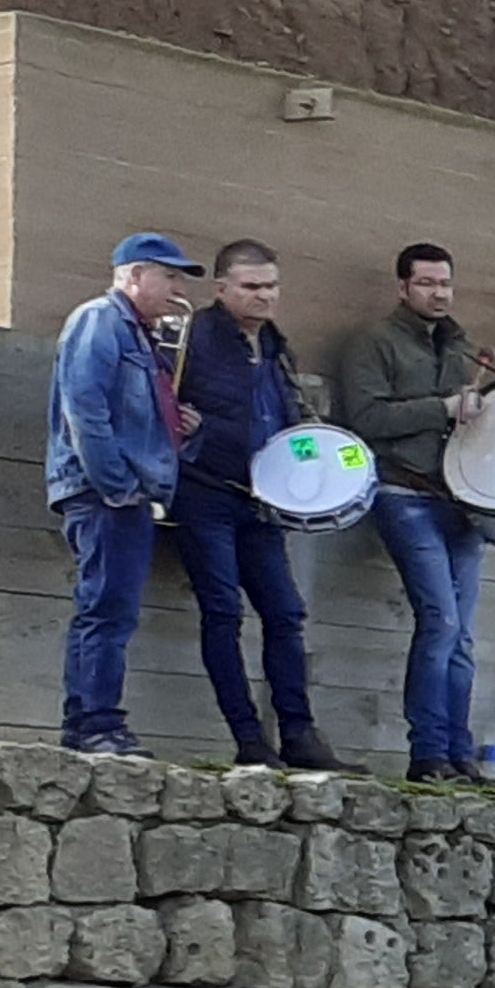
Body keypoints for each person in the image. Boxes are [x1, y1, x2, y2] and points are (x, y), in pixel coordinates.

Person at [163, 238, 344, 772]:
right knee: (222, 611)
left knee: (286, 614)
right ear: (221, 289)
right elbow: (162, 399)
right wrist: (189, 430)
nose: (264, 296)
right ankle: (248, 738)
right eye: (251, 287)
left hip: (263, 500)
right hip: (205, 490)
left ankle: (298, 734)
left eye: (271, 286)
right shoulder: (194, 336)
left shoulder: (277, 349)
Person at [330, 243, 493, 783]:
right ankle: (427, 752)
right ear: (403, 288)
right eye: (426, 283)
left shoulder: (463, 347)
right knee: (442, 621)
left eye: (445, 283)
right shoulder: (374, 343)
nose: (439, 293)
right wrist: (444, 409)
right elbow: (367, 417)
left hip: (460, 501)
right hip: (402, 493)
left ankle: (458, 751)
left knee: (462, 634)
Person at [45, 232, 196, 757]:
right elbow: (85, 410)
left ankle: (97, 721)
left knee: (112, 609)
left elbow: (124, 412)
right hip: (103, 493)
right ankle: (93, 725)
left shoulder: (140, 334)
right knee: (105, 608)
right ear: (134, 275)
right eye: (169, 276)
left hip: (123, 492)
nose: (177, 289)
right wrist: (116, 487)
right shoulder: (99, 320)